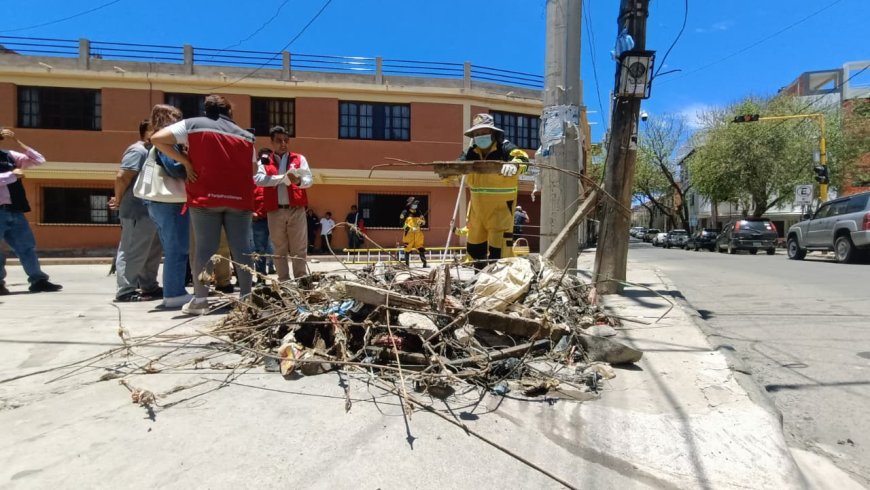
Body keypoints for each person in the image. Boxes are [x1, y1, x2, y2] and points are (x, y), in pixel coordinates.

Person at [150, 94, 256, 315]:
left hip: (206, 196)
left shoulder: (193, 124)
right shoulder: (246, 136)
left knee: (205, 249)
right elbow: (253, 169)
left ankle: (200, 300)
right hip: (239, 199)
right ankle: (247, 299)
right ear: (230, 111)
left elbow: (157, 138)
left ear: (206, 109)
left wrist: (186, 162)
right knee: (242, 250)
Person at [457, 113, 529, 268]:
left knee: (500, 254)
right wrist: (452, 172)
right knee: (475, 250)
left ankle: (498, 284)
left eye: (484, 133)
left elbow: (524, 160)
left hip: (501, 212)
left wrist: (515, 165)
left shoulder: (506, 148)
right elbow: (457, 166)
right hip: (477, 212)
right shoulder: (471, 152)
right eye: (477, 134)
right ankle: (479, 283)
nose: (480, 136)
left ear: (493, 133)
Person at [0, 128, 62, 295]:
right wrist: (11, 175)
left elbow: (39, 160)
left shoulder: (9, 155)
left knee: (27, 247)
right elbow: (8, 177)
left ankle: (38, 281)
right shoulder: (11, 168)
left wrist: (16, 141)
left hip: (15, 210)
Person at [143, 104, 193, 308]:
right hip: (169, 202)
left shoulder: (157, 142)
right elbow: (174, 168)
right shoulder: (166, 143)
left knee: (173, 247)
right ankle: (174, 293)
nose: (179, 120)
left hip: (159, 202)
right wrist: (189, 162)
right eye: (174, 116)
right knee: (177, 248)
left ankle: (174, 290)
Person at [109, 119, 163, 302]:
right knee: (132, 249)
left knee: (151, 251)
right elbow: (122, 176)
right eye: (154, 130)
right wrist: (118, 199)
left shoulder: (154, 152)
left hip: (153, 211)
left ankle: (149, 286)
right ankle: (125, 290)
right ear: (145, 132)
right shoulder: (138, 151)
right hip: (136, 211)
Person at [254, 126, 313, 281]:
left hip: (296, 210)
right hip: (275, 211)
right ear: (272, 142)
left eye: (286, 140)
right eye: (279, 140)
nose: (283, 143)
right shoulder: (265, 160)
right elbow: (258, 180)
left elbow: (309, 180)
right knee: (278, 249)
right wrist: (282, 179)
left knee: (299, 249)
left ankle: (301, 282)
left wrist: (298, 180)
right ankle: (284, 283)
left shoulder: (299, 159)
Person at [250, 148, 275, 281]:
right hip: (259, 218)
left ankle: (275, 272)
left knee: (276, 247)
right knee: (259, 248)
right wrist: (251, 212)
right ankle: (261, 277)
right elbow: (249, 193)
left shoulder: (274, 169)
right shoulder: (254, 172)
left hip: (274, 215)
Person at [400, 198, 427, 268]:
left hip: (418, 235)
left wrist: (421, 222)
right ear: (410, 204)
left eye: (416, 204)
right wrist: (410, 229)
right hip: (408, 235)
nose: (415, 205)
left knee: (420, 248)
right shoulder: (405, 212)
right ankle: (407, 265)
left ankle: (425, 263)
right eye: (414, 204)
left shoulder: (419, 212)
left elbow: (424, 222)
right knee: (407, 249)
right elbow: (401, 224)